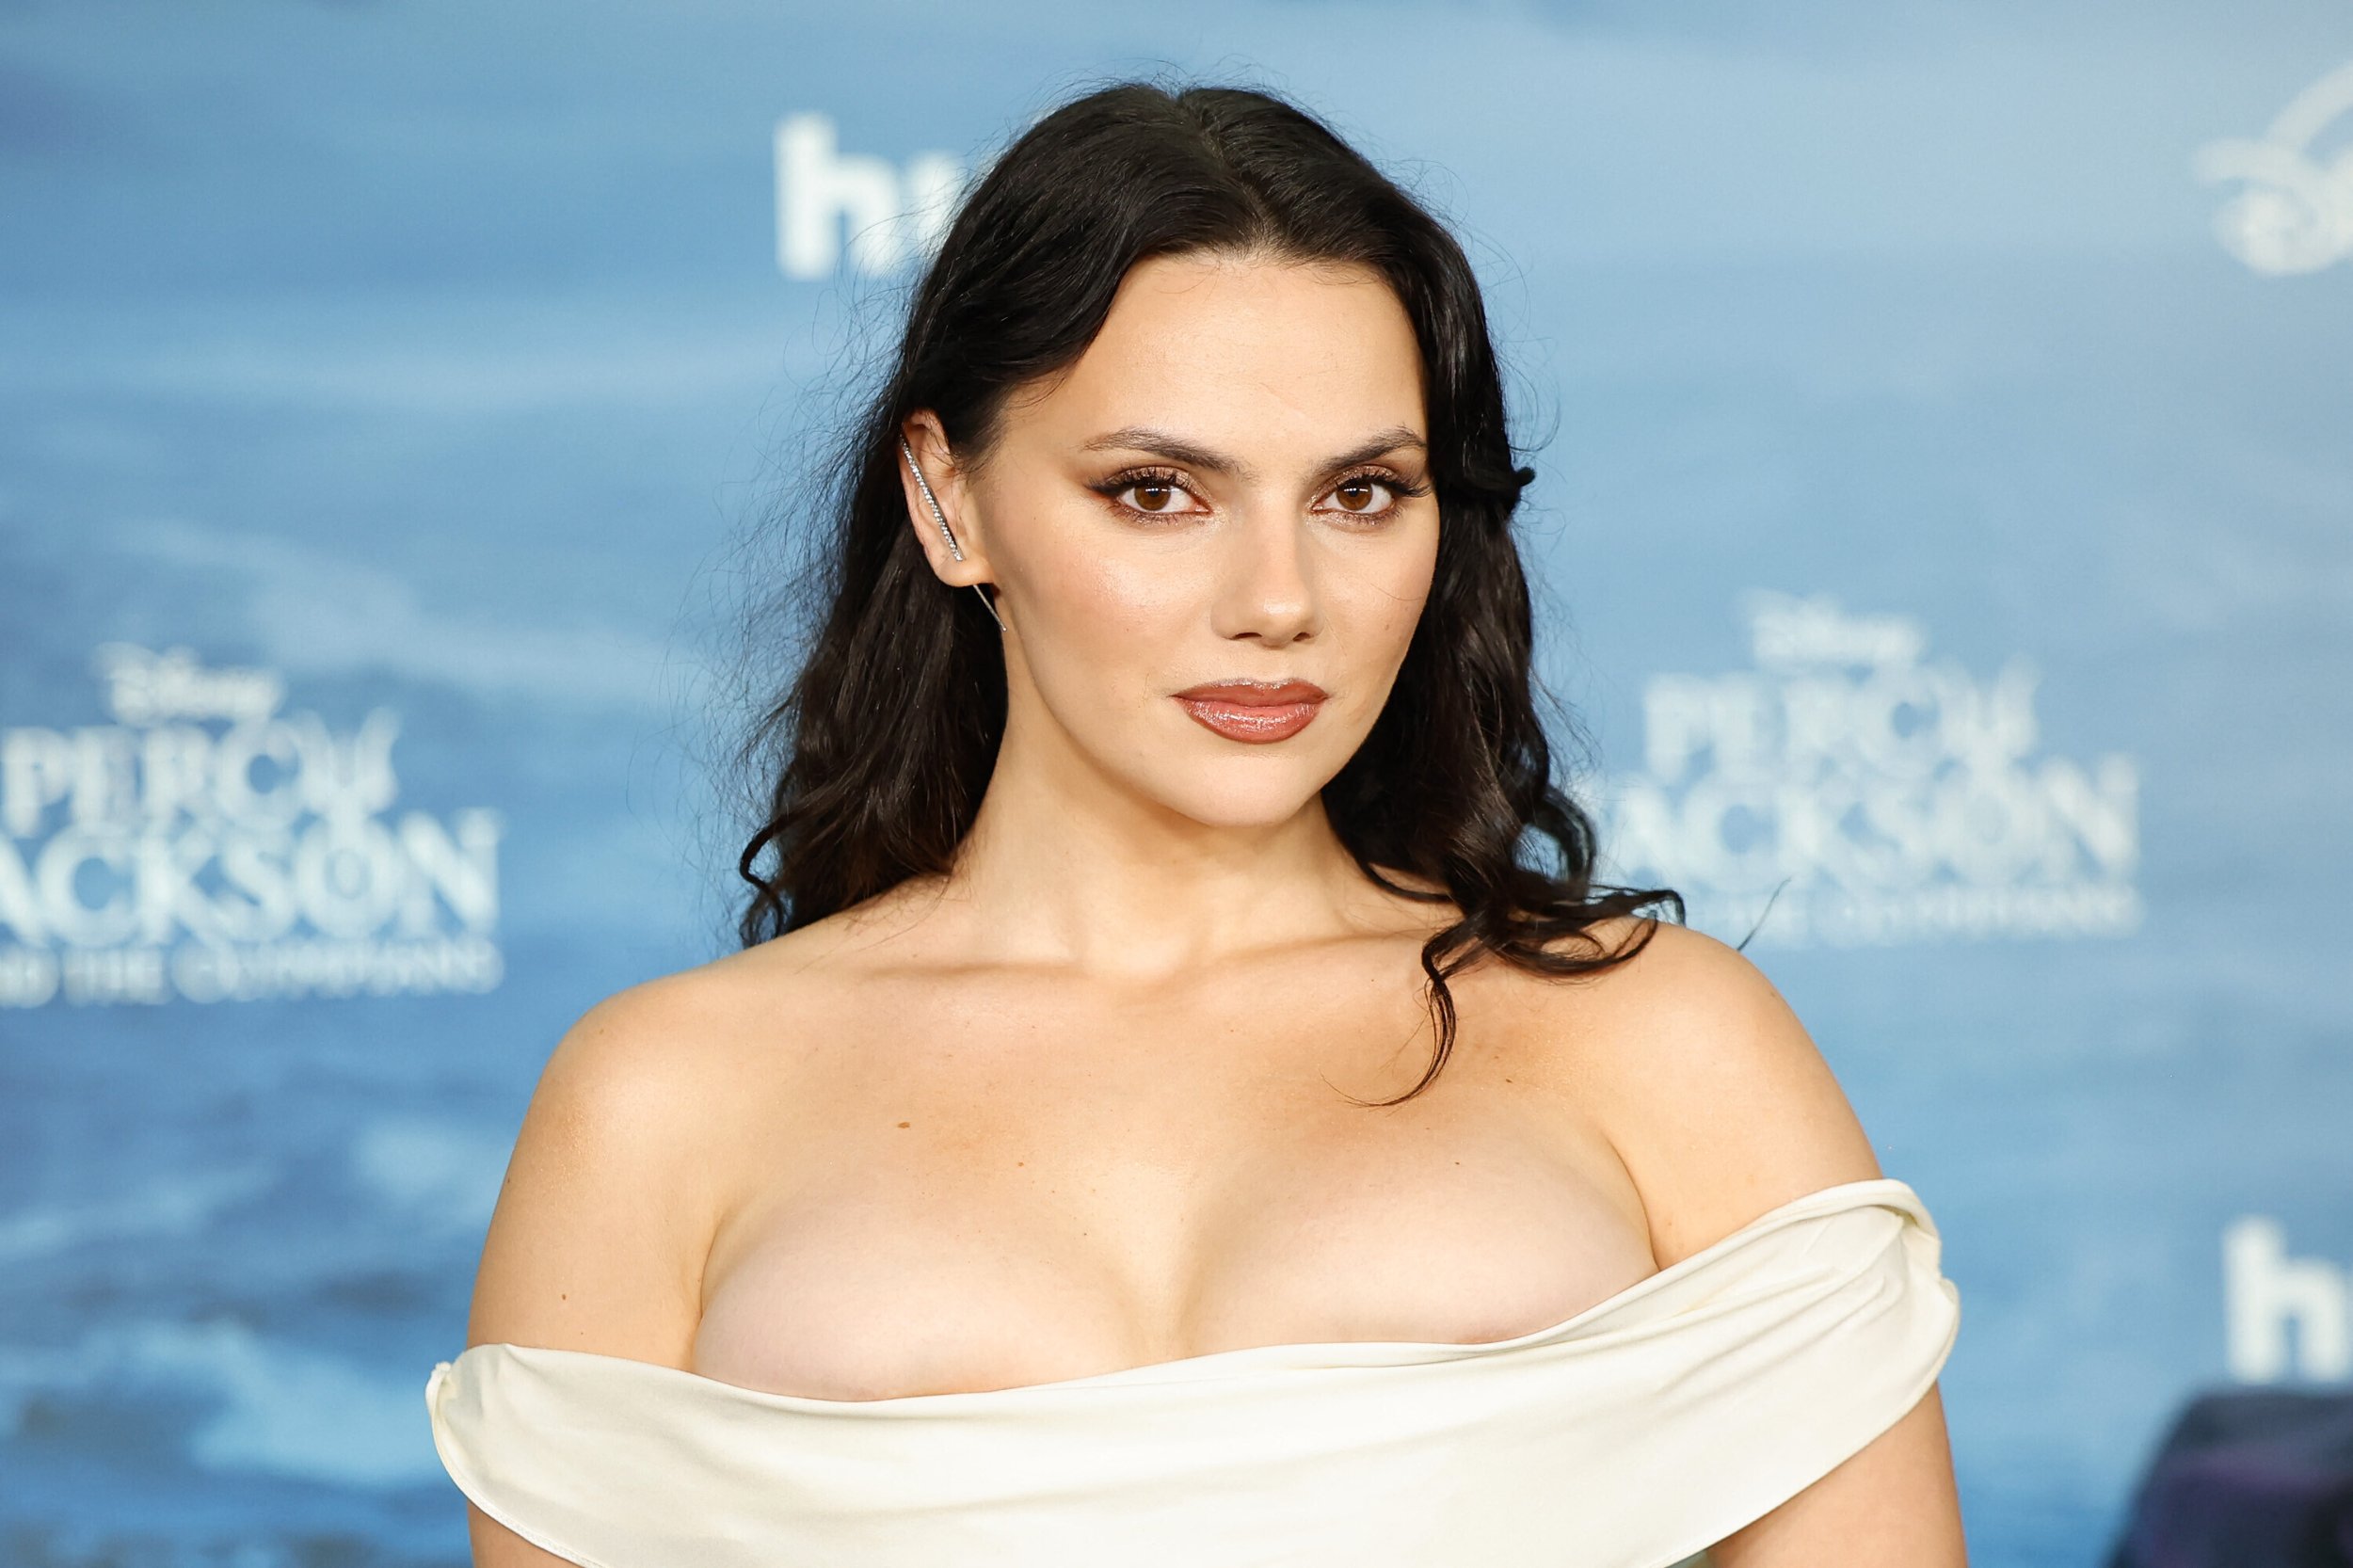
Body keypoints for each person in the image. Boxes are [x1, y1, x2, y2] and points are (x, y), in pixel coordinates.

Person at [425, 75, 1965, 1567]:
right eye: (1158, 491)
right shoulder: (660, 1100)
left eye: (1361, 493)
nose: (1278, 601)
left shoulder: (1669, 1045)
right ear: (950, 499)